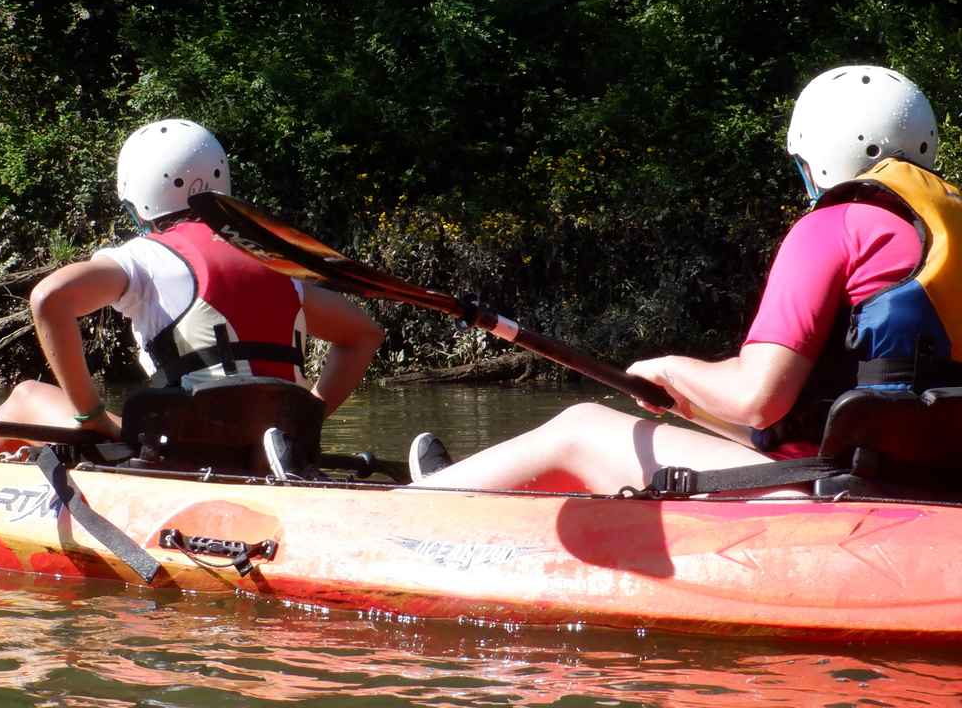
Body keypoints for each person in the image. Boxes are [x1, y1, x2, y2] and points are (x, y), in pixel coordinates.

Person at [410, 65, 962, 493]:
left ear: (819, 156)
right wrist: (689, 402)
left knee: (578, 428)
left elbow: (757, 399)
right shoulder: (940, 238)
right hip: (922, 485)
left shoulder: (834, 226)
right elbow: (820, 416)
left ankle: (418, 508)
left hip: (834, 497)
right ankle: (459, 487)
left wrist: (668, 366)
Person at [0, 119, 384, 472]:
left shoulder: (142, 258)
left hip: (178, 452)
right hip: (270, 451)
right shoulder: (276, 265)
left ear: (138, 199)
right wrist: (306, 420)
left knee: (30, 394)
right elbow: (363, 334)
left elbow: (49, 299)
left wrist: (90, 415)